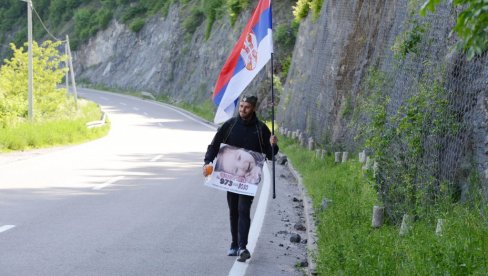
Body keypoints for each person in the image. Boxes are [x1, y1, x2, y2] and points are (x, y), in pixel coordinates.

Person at [203, 94, 278, 262]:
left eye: (247, 107)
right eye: (241, 106)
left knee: (244, 209)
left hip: (249, 180)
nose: (243, 110)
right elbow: (214, 145)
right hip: (231, 177)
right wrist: (207, 161)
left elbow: (271, 154)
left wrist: (273, 144)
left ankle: (243, 247)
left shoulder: (261, 129)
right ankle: (234, 244)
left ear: (254, 108)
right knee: (234, 210)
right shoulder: (230, 125)